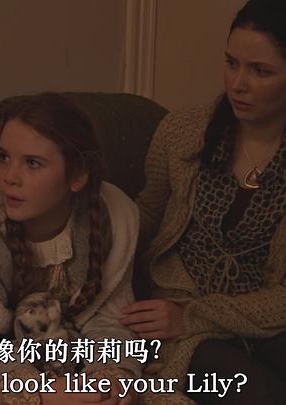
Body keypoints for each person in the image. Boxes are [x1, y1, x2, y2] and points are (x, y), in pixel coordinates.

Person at [122, 0, 286, 404]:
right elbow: (145, 216)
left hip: (262, 315)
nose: (237, 84)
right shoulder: (182, 131)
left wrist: (199, 317)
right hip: (179, 305)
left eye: (260, 71)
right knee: (261, 395)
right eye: (231, 63)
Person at [0, 93, 140, 405]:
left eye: (32, 163)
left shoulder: (112, 221)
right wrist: (40, 394)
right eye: (3, 157)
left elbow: (109, 319)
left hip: (79, 368)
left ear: (77, 175)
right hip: (3, 380)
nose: (9, 177)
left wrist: (109, 377)